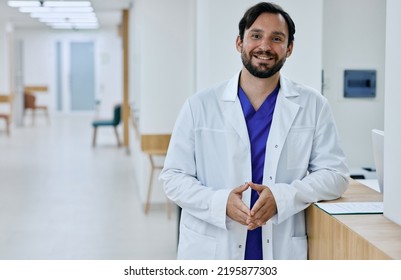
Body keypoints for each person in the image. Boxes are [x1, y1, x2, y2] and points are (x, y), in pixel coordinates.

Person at [159, 2, 349, 260]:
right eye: (256, 36)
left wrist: (283, 197)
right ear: (240, 43)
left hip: (280, 246)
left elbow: (335, 175)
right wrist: (220, 203)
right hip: (213, 247)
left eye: (277, 38)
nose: (265, 46)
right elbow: (173, 177)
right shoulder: (199, 105)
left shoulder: (313, 105)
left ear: (289, 48)